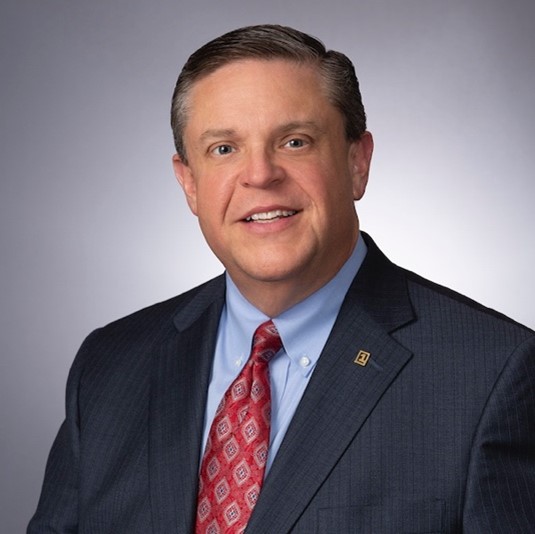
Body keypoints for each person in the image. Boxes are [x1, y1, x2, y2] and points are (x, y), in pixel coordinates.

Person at [28, 24, 535, 533]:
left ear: (357, 163)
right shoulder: (110, 367)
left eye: (295, 142)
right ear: (189, 183)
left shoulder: (490, 375)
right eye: (224, 149)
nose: (260, 174)